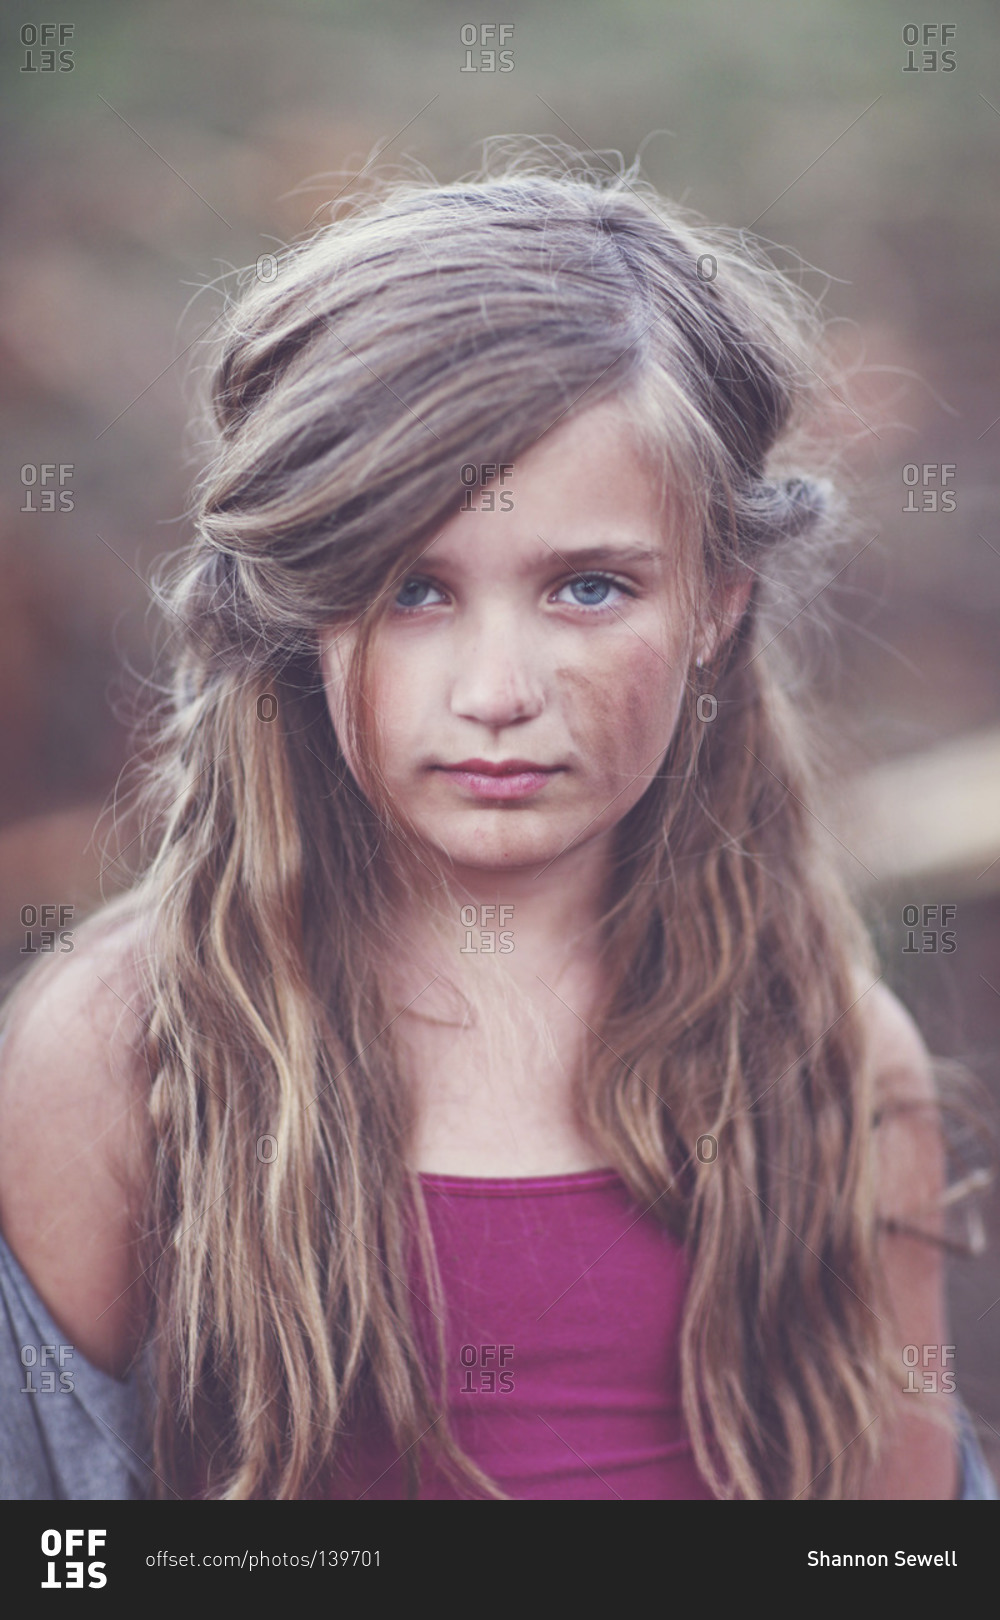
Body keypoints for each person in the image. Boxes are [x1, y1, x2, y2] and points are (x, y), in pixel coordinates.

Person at [0, 142, 994, 1502]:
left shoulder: (827, 1058)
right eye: (413, 590)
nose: (497, 695)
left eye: (589, 589)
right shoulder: (127, 1054)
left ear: (716, 598)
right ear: (304, 606)